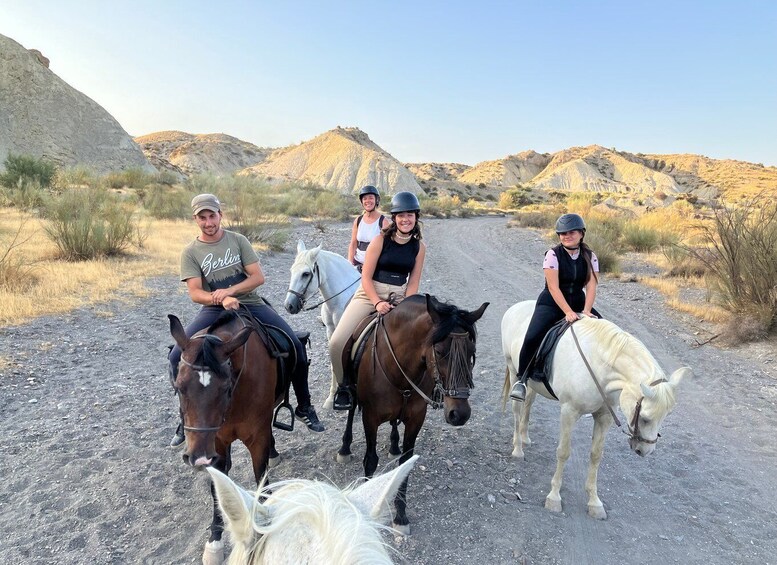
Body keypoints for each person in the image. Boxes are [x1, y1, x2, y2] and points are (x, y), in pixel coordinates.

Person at [169, 193, 324, 447]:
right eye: (202, 217)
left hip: (250, 303)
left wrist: (230, 292)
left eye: (212, 216)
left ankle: (304, 406)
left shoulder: (238, 241)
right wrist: (219, 300)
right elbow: (196, 293)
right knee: (177, 356)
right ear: (195, 219)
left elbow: (257, 277)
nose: (208, 222)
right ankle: (184, 415)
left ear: (221, 214)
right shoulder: (191, 252)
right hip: (213, 309)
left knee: (294, 345)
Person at [329, 191, 427, 410]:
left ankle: (423, 386)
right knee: (336, 342)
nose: (405, 219)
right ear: (394, 217)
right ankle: (344, 387)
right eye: (401, 215)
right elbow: (365, 276)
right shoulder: (380, 240)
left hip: (401, 295)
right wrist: (376, 302)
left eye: (410, 215)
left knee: (423, 336)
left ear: (416, 217)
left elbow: (414, 282)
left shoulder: (419, 247)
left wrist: (407, 304)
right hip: (370, 292)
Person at [510, 213, 601, 401]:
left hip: (578, 300)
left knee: (604, 329)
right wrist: (567, 312)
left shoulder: (590, 256)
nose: (567, 236)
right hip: (551, 302)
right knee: (533, 336)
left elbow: (591, 285)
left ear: (581, 233)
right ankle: (522, 380)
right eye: (562, 233)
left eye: (571, 232)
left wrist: (586, 310)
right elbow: (553, 286)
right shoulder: (552, 254)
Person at [347, 185, 390, 272]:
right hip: (357, 262)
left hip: (375, 266)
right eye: (365, 198)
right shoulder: (358, 220)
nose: (367, 201)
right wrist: (349, 263)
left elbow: (387, 248)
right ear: (362, 201)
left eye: (371, 198)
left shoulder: (383, 222)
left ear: (376, 200)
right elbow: (353, 243)